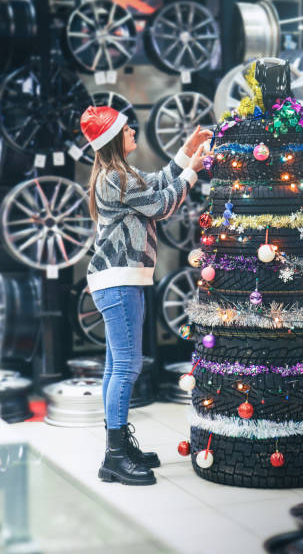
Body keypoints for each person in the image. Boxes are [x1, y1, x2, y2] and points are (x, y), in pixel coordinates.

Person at [81, 105, 211, 486]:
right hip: (119, 281)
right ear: (112, 139)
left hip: (120, 279)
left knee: (116, 366)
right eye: (125, 128)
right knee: (126, 368)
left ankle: (118, 447)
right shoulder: (115, 178)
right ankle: (116, 457)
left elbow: (157, 182)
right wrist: (194, 171)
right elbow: (161, 204)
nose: (133, 130)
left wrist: (186, 152)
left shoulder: (120, 174)